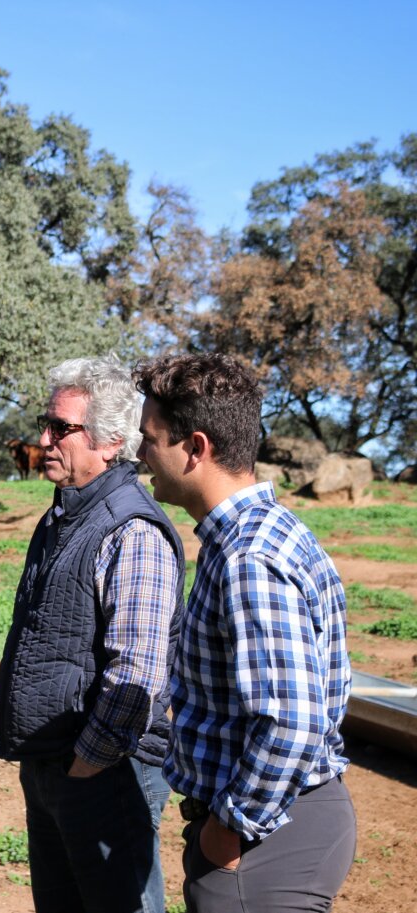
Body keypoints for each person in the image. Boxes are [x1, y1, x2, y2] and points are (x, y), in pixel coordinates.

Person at [134, 353, 355, 913]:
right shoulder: (265, 533)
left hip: (263, 839)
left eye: (151, 438)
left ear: (196, 447)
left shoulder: (248, 557)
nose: (141, 456)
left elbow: (291, 720)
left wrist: (229, 830)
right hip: (278, 825)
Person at [0, 355, 184, 913]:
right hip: (55, 765)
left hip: (107, 775)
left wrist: (85, 767)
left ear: (111, 443)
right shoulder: (63, 516)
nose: (44, 439)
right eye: (45, 423)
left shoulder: (132, 530)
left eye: (61, 428)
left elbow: (138, 674)